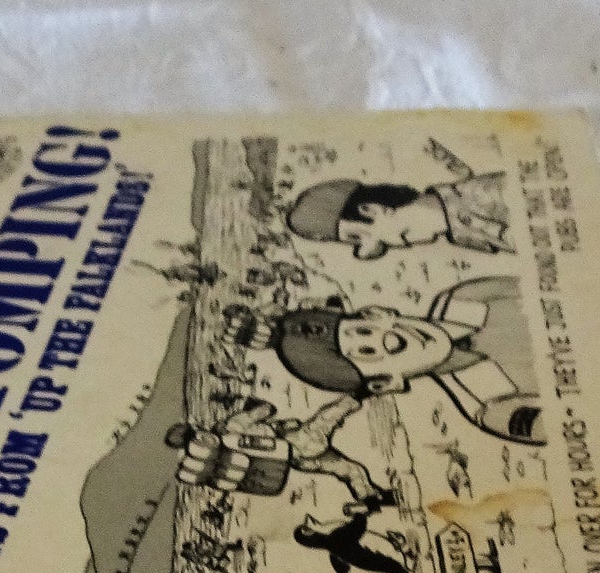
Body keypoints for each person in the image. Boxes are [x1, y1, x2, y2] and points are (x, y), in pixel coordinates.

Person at [227, 275, 544, 446]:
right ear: (385, 384)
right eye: (367, 354)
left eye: (364, 330)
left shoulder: (469, 297)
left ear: (377, 312)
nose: (387, 342)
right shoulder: (489, 403)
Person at [287, 140, 513, 258]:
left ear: (371, 209)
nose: (364, 250)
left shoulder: (485, 194)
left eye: (356, 237)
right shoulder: (461, 234)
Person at [166, 395, 391, 511]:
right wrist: (246, 402)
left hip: (294, 461)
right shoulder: (229, 426)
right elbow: (267, 409)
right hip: (298, 440)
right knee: (330, 415)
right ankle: (362, 393)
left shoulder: (215, 452)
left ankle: (370, 498)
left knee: (348, 469)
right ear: (194, 427)